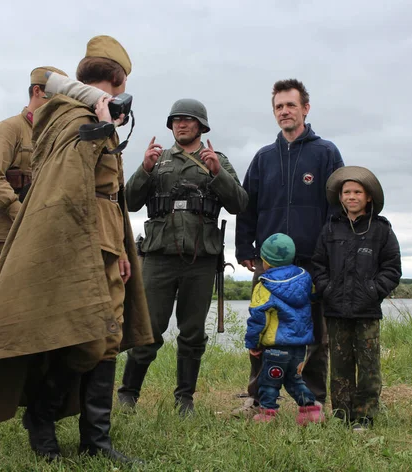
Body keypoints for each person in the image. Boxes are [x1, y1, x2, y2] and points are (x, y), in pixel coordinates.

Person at [0, 35, 153, 466]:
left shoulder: (97, 118)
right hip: (79, 242)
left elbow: (109, 193)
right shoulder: (73, 118)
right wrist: (99, 129)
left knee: (108, 338)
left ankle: (96, 439)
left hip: (106, 240)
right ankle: (41, 418)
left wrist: (121, 253)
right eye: (123, 83)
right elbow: (68, 190)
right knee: (80, 341)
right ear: (115, 80)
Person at [118, 99, 248, 414]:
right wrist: (144, 169)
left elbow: (240, 203)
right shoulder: (157, 160)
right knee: (147, 328)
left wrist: (218, 173)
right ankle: (127, 394)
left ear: (201, 126)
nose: (181, 124)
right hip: (158, 257)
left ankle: (184, 399)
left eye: (188, 120)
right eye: (176, 120)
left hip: (201, 259)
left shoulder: (216, 159)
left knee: (192, 332)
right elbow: (129, 202)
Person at [235, 79, 344, 411]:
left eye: (290, 105)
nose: (284, 111)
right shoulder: (263, 157)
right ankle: (258, 399)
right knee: (263, 329)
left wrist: (331, 253)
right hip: (269, 265)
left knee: (314, 335)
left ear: (305, 109)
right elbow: (247, 206)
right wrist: (245, 249)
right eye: (279, 106)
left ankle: (313, 400)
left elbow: (336, 208)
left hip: (312, 261)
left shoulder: (325, 153)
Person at [312, 166, 401, 430]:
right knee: (340, 367)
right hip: (336, 310)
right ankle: (341, 414)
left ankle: (364, 415)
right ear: (340, 197)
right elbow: (318, 265)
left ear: (369, 197)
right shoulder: (329, 229)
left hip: (367, 312)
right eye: (347, 192)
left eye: (358, 192)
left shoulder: (382, 230)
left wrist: (373, 292)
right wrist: (327, 289)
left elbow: (392, 269)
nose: (352, 196)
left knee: (369, 366)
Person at [0, 65, 66, 282]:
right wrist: (18, 212)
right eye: (54, 97)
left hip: (44, 230)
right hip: (8, 228)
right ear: (37, 91)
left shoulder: (55, 136)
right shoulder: (10, 129)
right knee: (5, 305)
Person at [245, 233, 324, 425]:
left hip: (276, 346)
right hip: (299, 347)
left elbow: (258, 318)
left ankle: (267, 414)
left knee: (269, 382)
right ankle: (310, 410)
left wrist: (253, 343)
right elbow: (313, 297)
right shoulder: (304, 278)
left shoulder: (264, 285)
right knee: (294, 380)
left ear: (265, 261)